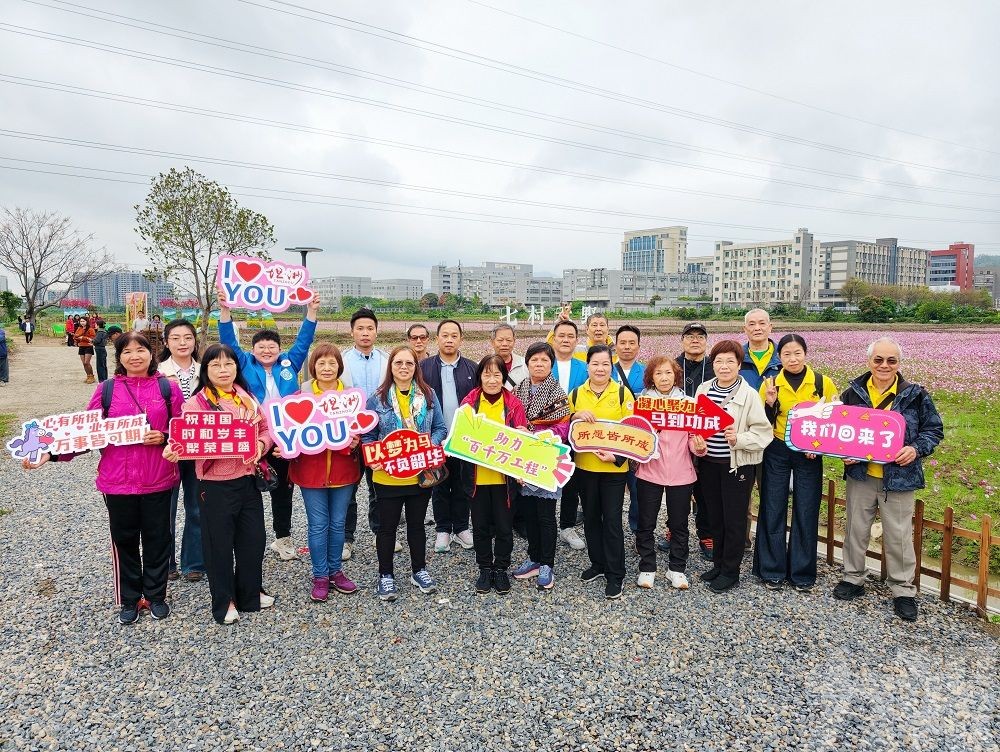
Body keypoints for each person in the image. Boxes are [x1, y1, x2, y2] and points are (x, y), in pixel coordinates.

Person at [23, 333, 182, 624]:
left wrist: (165, 437)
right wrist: (53, 454)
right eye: (127, 351)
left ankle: (156, 595)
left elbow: (184, 430)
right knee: (124, 540)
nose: (135, 356)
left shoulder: (167, 389)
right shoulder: (107, 390)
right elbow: (84, 433)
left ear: (152, 353)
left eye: (141, 350)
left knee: (159, 538)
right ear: (119, 358)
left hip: (158, 477)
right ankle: (131, 598)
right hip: (117, 481)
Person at [832, 337, 944, 622]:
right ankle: (852, 578)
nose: (884, 365)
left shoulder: (915, 395)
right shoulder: (853, 393)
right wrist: (843, 453)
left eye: (891, 360)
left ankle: (903, 590)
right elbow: (838, 431)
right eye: (878, 360)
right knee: (856, 529)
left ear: (899, 363)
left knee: (899, 536)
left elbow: (933, 430)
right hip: (862, 475)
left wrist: (915, 449)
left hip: (900, 477)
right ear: (869, 361)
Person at [163, 343, 275, 625]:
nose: (223, 370)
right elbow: (186, 441)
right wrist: (175, 449)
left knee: (253, 540)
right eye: (216, 365)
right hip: (214, 484)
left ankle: (250, 592)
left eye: (229, 364)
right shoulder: (196, 403)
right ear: (206, 370)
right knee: (219, 545)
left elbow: (265, 429)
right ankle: (224, 601)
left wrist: (261, 445)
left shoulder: (246, 396)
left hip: (249, 479)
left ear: (237, 368)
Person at [217, 284, 320, 562]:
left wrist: (311, 311)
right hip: (252, 437)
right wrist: (225, 309)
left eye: (271, 347)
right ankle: (247, 540)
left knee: (283, 490)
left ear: (279, 349)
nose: (266, 351)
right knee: (248, 491)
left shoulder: (289, 364)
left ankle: (282, 538)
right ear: (253, 350)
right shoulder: (244, 364)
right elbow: (228, 341)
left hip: (284, 439)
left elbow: (303, 342)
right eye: (261, 347)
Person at [754, 334, 839, 592]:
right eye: (787, 354)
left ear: (805, 354)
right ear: (779, 357)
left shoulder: (823, 384)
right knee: (772, 507)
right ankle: (772, 570)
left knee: (806, 509)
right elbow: (762, 423)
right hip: (777, 448)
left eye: (797, 353)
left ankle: (802, 572)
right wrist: (770, 403)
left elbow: (832, 421)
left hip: (809, 453)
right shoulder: (770, 384)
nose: (792, 358)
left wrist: (819, 447)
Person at [363, 345, 447, 601]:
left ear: (416, 367)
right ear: (391, 366)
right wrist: (372, 456)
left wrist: (428, 446)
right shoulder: (377, 399)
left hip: (419, 474)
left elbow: (441, 428)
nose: (403, 367)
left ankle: (419, 570)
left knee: (417, 525)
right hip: (387, 474)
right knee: (386, 528)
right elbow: (368, 435)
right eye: (398, 363)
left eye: (409, 363)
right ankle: (385, 575)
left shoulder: (429, 395)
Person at [694, 340, 773, 594]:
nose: (724, 366)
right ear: (712, 364)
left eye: (730, 361)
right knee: (714, 515)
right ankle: (718, 564)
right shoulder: (704, 390)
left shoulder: (748, 394)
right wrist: (696, 442)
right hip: (709, 463)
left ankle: (731, 571)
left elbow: (763, 432)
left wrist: (738, 439)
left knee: (734, 520)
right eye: (718, 361)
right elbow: (696, 425)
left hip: (736, 465)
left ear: (739, 365)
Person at [285, 343, 361, 601]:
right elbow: (288, 431)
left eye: (332, 363)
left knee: (338, 524)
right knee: (318, 524)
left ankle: (336, 571)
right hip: (311, 471)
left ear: (339, 366)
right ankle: (320, 575)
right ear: (312, 367)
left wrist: (356, 440)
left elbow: (363, 427)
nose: (327, 368)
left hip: (343, 469)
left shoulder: (352, 397)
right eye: (321, 363)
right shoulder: (299, 397)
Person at [458, 355, 528, 595]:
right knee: (480, 526)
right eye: (486, 374)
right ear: (479, 377)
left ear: (503, 377)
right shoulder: (469, 402)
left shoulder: (513, 404)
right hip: (477, 479)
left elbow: (522, 441)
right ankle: (485, 568)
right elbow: (461, 437)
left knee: (504, 526)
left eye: (497, 374)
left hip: (503, 480)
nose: (491, 379)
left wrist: (523, 434)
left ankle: (501, 569)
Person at [569, 344, 634, 599]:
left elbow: (632, 434)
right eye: (595, 364)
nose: (600, 368)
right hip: (585, 467)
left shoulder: (622, 395)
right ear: (587, 366)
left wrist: (616, 456)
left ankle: (615, 573)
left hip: (614, 470)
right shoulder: (575, 394)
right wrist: (574, 415)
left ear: (611, 366)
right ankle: (597, 564)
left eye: (605, 364)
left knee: (613, 521)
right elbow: (567, 428)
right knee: (591, 518)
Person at [634, 356, 699, 590]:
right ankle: (647, 567)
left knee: (679, 524)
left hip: (681, 472)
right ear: (651, 377)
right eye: (658, 373)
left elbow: (693, 439)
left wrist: (698, 446)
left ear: (676, 376)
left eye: (668, 373)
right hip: (649, 472)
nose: (664, 378)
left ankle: (677, 569)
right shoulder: (641, 403)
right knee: (646, 522)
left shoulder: (689, 404)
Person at [511, 342, 570, 590]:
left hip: (546, 459)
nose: (539, 364)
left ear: (551, 364)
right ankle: (534, 558)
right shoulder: (518, 389)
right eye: (534, 360)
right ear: (527, 363)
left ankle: (547, 563)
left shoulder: (557, 393)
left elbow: (564, 428)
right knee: (529, 514)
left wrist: (533, 431)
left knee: (546, 515)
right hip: (522, 460)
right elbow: (509, 419)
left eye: (544, 360)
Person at [420, 319, 477, 554]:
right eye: (445, 335)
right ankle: (443, 528)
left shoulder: (472, 368)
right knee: (439, 482)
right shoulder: (423, 367)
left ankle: (462, 526)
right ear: (437, 339)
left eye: (454, 335)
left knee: (464, 483)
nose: (449, 339)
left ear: (461, 339)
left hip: (463, 438)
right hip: (436, 437)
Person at [340, 308, 391, 559]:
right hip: (350, 436)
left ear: (376, 331)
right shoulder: (341, 361)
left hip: (380, 435)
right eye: (360, 328)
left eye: (370, 328)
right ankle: (346, 538)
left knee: (378, 486)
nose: (365, 333)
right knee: (348, 488)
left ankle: (380, 533)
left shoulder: (387, 359)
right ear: (352, 331)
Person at [158, 319, 206, 584]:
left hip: (199, 448)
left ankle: (194, 562)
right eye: (175, 338)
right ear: (166, 342)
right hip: (167, 449)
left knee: (197, 506)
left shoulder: (206, 370)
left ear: (194, 341)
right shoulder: (157, 371)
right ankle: (166, 562)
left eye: (187, 338)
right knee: (165, 508)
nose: (182, 343)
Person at [674, 322, 715, 560]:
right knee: (676, 488)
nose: (695, 340)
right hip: (677, 437)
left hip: (706, 436)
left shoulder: (714, 366)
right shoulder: (673, 366)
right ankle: (673, 530)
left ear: (706, 341)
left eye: (700, 336)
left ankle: (706, 534)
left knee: (705, 489)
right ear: (682, 340)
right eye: (690, 336)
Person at [550, 319, 588, 551]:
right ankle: (540, 524)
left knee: (572, 481)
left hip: (575, 434)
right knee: (542, 479)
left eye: (570, 336)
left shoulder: (584, 368)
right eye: (561, 335)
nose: (565, 340)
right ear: (553, 339)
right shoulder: (543, 363)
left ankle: (567, 526)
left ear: (576, 340)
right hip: (547, 433)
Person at [612, 324, 645, 533]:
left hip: (636, 440)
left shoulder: (648, 372)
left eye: (631, 343)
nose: (626, 347)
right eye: (622, 342)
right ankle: (611, 531)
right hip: (611, 438)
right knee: (611, 490)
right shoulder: (606, 369)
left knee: (637, 489)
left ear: (639, 347)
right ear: (615, 346)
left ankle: (637, 530)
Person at [739, 309, 781, 390]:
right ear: (745, 329)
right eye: (752, 324)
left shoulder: (783, 355)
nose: (757, 328)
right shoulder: (737, 356)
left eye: (762, 323)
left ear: (770, 327)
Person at [490, 323, 528, 387]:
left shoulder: (525, 364)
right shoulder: (482, 365)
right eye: (500, 340)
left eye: (509, 340)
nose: (505, 344)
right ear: (492, 342)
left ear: (514, 341)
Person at [74, 317, 97, 384]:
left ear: (87, 321)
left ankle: (92, 376)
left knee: (87, 362)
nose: (82, 322)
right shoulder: (79, 328)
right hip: (81, 346)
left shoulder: (90, 329)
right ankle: (88, 376)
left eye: (83, 321)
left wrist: (83, 338)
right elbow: (75, 337)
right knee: (84, 363)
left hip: (88, 346)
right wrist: (78, 339)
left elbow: (92, 338)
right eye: (81, 321)